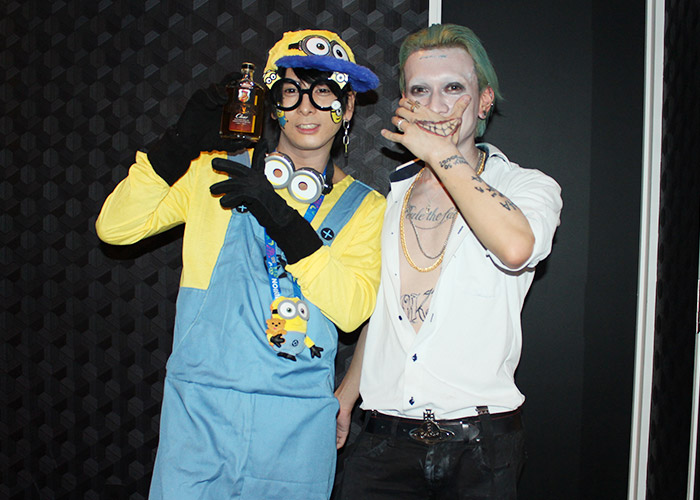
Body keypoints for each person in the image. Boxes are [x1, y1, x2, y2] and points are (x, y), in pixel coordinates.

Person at [96, 29, 384, 499]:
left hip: (296, 426)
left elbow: (352, 310)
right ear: (271, 103)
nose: (306, 108)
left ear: (348, 106)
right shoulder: (216, 170)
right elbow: (116, 228)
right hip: (199, 413)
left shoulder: (366, 208)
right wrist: (177, 144)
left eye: (324, 92)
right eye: (290, 91)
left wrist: (281, 218)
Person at [334, 23, 562, 499]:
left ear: (484, 101)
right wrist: (347, 394)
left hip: (480, 447)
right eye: (420, 91)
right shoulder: (390, 198)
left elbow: (516, 248)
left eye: (453, 88)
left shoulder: (526, 186)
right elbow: (386, 311)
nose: (435, 106)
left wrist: (440, 153)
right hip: (382, 442)